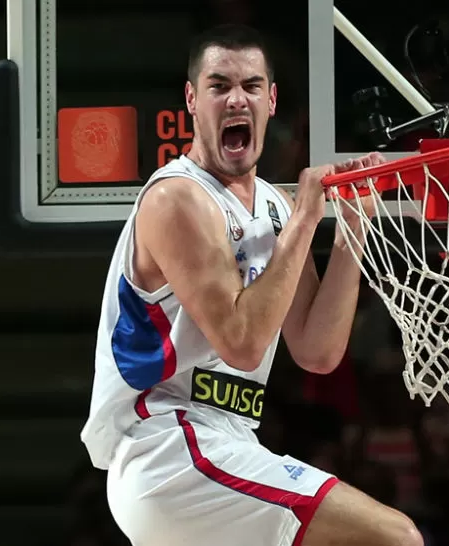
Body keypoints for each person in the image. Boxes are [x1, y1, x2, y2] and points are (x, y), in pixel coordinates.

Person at [79, 23, 424, 546]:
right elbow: (241, 343)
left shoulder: (275, 206)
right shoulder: (178, 198)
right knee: (394, 537)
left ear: (272, 100)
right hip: (169, 447)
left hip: (230, 438)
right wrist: (307, 220)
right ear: (193, 100)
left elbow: (316, 350)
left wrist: (354, 231)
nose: (236, 98)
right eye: (219, 86)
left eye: (251, 86)